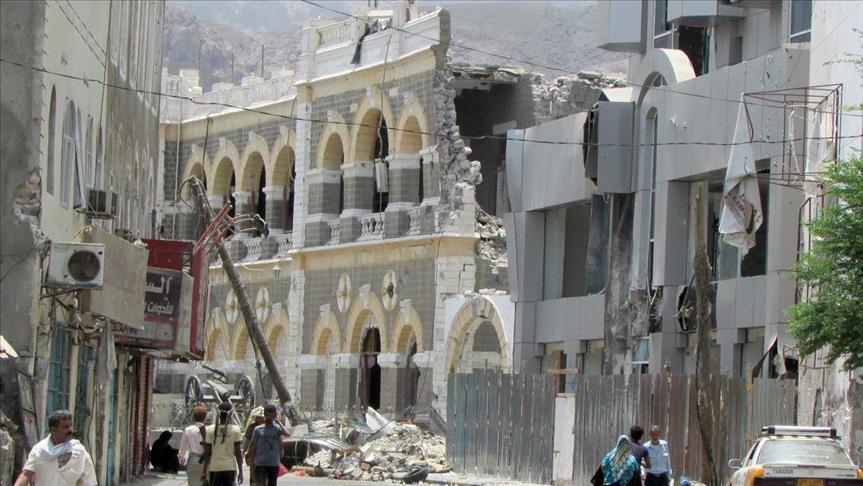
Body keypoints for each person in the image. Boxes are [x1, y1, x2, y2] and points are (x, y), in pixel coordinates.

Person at [13, 410, 97, 486]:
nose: (70, 430)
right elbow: (26, 474)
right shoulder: (39, 450)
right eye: (65, 427)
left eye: (71, 426)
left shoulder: (79, 452)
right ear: (53, 429)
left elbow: (90, 482)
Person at [248, 404, 291, 486]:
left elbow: (287, 434)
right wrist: (252, 463)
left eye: (272, 415)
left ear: (275, 415)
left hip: (273, 463)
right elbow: (253, 447)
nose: (269, 418)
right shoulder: (258, 429)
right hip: (260, 463)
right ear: (264, 415)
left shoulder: (277, 428)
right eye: (268, 415)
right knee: (260, 483)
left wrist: (278, 422)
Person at [202, 402, 244, 486]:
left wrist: (204, 471)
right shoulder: (236, 430)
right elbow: (238, 453)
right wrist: (240, 472)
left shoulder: (210, 429)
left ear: (218, 413)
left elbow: (208, 452)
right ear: (231, 414)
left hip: (215, 468)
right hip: (230, 468)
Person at [178, 405, 208, 486]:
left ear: (193, 417)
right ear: (205, 417)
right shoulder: (209, 430)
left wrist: (182, 459)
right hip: (206, 461)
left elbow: (182, 448)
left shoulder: (188, 430)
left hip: (193, 460)